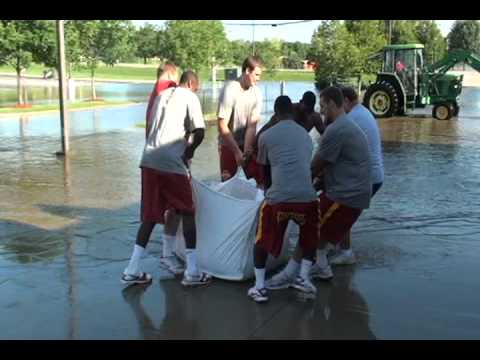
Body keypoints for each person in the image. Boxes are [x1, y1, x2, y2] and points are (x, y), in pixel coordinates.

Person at [264, 86, 371, 288]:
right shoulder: (345, 125)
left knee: (310, 226)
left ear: (331, 103)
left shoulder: (336, 130)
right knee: (319, 235)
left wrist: (288, 188)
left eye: (322, 106)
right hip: (354, 192)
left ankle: (291, 274)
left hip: (346, 196)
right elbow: (328, 168)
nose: (320, 111)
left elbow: (314, 167)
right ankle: (320, 267)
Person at [122, 71, 211, 287]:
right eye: (196, 87)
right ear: (191, 83)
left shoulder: (162, 95)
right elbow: (199, 131)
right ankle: (192, 271)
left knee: (150, 216)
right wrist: (189, 152)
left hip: (149, 159)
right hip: (172, 162)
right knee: (188, 211)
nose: (196, 91)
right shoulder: (190, 97)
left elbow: (153, 126)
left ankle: (132, 270)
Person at [248, 96, 319, 303]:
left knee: (260, 239)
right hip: (308, 199)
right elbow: (305, 166)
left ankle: (259, 287)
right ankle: (303, 278)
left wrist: (271, 192)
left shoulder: (267, 135)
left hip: (279, 200)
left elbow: (264, 170)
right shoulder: (306, 136)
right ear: (292, 111)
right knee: (310, 236)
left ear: (276, 113)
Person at [329, 86, 384, 265]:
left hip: (367, 175)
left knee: (344, 209)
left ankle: (345, 252)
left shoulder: (352, 118)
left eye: (339, 103)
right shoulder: (363, 112)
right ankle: (338, 245)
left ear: (345, 101)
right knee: (345, 211)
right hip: (374, 174)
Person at [217, 56, 263, 182]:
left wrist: (247, 151)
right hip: (228, 144)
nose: (258, 79)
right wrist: (236, 151)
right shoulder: (230, 89)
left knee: (256, 182)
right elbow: (222, 125)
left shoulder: (257, 93)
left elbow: (252, 125)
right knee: (227, 184)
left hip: (245, 143)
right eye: (256, 75)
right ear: (247, 71)